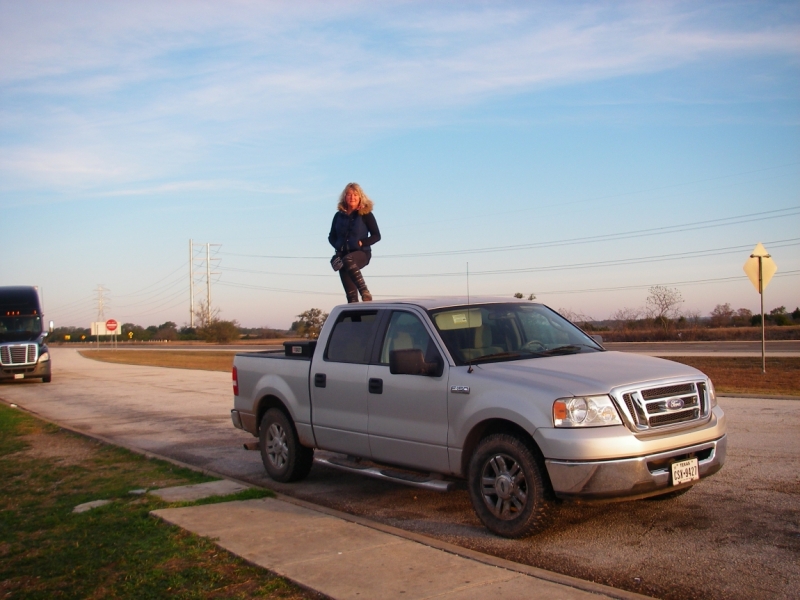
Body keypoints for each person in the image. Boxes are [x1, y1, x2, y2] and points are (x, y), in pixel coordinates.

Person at [328, 183, 381, 303]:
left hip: (361, 253)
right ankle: (356, 321)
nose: (352, 197)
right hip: (343, 256)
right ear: (344, 197)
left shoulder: (365, 214)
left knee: (348, 259)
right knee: (351, 297)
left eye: (355, 194)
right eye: (349, 194)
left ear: (360, 197)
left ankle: (365, 292)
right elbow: (331, 236)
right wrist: (338, 247)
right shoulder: (338, 216)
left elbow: (377, 235)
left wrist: (362, 242)